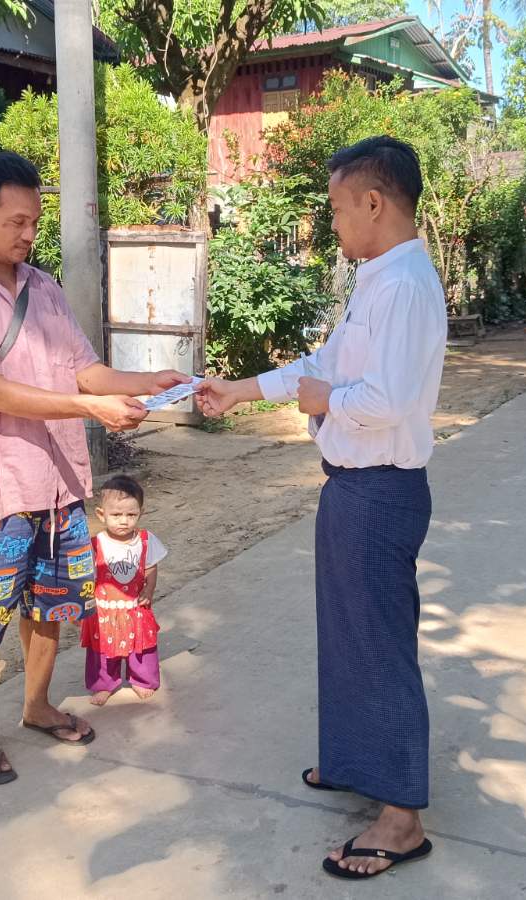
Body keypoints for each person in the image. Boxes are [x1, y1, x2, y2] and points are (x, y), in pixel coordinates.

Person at [197, 136, 445, 880]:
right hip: (353, 487)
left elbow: (385, 400)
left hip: (381, 491)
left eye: (336, 208)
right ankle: (353, 761)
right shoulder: (377, 278)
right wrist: (240, 391)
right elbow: (322, 366)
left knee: (378, 647)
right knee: (345, 637)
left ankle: (401, 820)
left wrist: (325, 400)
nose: (330, 222)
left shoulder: (405, 286)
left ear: (373, 202)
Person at [0, 152, 189, 786]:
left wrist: (148, 381)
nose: (28, 234)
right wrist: (90, 407)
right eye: (15, 222)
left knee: (51, 605)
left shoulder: (43, 289)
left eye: (34, 223)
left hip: (59, 485)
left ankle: (36, 704)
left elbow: (85, 371)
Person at [81, 474, 166, 705]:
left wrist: (149, 589)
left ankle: (142, 679)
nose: (124, 521)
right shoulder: (95, 544)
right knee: (102, 649)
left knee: (141, 645)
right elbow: (87, 578)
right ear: (101, 514)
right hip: (104, 609)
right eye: (116, 515)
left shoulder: (145, 540)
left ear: (141, 513)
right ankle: (104, 684)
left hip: (135, 605)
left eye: (131, 515)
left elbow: (150, 566)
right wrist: (84, 606)